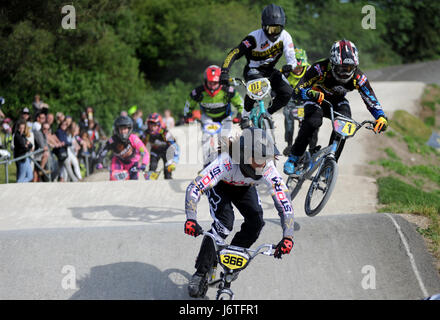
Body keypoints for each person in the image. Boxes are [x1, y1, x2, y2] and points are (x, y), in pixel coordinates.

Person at [184, 127, 294, 298]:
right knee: (224, 223)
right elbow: (195, 187)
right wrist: (191, 218)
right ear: (244, 154)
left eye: (266, 159)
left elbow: (284, 203)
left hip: (243, 188)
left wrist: (288, 236)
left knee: (256, 222)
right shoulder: (226, 161)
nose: (263, 164)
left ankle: (232, 261)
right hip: (220, 185)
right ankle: (200, 273)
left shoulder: (267, 168)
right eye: (258, 159)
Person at [283, 39, 389, 175]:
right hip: (316, 99)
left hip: (338, 101)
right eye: (341, 68)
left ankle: (330, 163)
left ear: (355, 66)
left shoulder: (358, 77)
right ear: (332, 64)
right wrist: (309, 93)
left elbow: (371, 98)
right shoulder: (319, 68)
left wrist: (380, 116)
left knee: (345, 125)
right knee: (313, 121)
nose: (345, 73)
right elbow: (296, 92)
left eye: (349, 69)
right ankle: (294, 157)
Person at [219, 4, 296, 125]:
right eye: (270, 29)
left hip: (270, 70)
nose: (273, 34)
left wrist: (290, 66)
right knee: (257, 87)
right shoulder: (253, 38)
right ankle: (245, 114)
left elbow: (292, 58)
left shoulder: (285, 37)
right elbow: (234, 53)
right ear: (263, 26)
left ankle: (268, 114)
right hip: (253, 70)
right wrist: (224, 72)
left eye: (277, 29)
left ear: (283, 27)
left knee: (288, 92)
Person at [184, 65, 244, 166]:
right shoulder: (198, 92)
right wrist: (187, 115)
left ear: (220, 81)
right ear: (205, 81)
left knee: (225, 138)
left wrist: (239, 115)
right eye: (210, 82)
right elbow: (188, 104)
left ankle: (226, 163)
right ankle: (207, 164)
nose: (212, 85)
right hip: (208, 118)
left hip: (225, 117)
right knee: (206, 138)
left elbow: (240, 103)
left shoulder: (228, 90)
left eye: (215, 82)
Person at [281, 47, 319, 156]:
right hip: (291, 101)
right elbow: (277, 85)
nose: (297, 69)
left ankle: (312, 148)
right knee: (287, 115)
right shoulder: (285, 73)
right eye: (295, 67)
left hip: (306, 100)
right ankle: (289, 143)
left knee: (314, 122)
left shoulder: (310, 71)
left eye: (300, 67)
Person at [97, 115, 150, 180]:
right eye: (121, 129)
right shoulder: (113, 140)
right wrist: (99, 162)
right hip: (118, 162)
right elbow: (104, 150)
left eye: (125, 129)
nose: (123, 131)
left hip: (133, 163)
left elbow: (144, 152)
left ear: (129, 129)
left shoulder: (134, 139)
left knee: (133, 181)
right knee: (114, 179)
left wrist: (144, 164)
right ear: (117, 129)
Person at [142, 112, 179, 180]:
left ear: (158, 124)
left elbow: (174, 144)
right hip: (155, 150)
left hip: (166, 151)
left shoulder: (164, 132)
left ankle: (168, 178)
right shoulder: (146, 133)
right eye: (150, 124)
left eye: (154, 125)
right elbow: (141, 145)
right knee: (152, 166)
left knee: (167, 171)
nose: (152, 127)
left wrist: (174, 158)